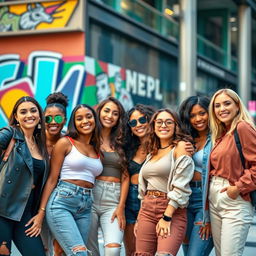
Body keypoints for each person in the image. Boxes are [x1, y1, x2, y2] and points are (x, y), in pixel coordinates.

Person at [32, 104, 103, 256]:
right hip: (62, 201)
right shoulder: (65, 143)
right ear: (73, 123)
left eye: (89, 116)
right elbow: (52, 179)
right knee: (79, 253)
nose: (85, 121)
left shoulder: (96, 149)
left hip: (86, 205)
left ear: (95, 120)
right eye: (79, 118)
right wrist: (41, 211)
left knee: (65, 252)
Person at [135, 108, 194, 255]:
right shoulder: (152, 150)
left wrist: (167, 217)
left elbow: (181, 187)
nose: (163, 126)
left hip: (171, 209)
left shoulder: (181, 147)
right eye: (159, 122)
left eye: (169, 122)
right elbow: (145, 188)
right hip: (147, 210)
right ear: (153, 126)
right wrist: (139, 217)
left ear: (175, 126)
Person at [208, 88, 256, 256]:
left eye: (227, 103)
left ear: (237, 106)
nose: (222, 109)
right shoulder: (220, 133)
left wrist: (238, 188)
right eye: (217, 105)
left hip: (235, 199)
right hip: (215, 198)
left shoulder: (242, 127)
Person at [0, 96, 49, 256]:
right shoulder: (10, 134)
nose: (29, 115)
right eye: (23, 112)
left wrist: (39, 214)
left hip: (26, 214)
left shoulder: (40, 143)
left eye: (33, 110)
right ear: (16, 117)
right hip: (3, 208)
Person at [87, 96, 129, 256]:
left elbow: (125, 176)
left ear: (119, 118)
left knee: (113, 249)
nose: (109, 116)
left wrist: (121, 207)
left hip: (114, 198)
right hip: (89, 196)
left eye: (115, 113)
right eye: (106, 111)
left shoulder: (122, 141)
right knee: (90, 250)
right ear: (99, 112)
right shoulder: (88, 137)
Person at [179, 96, 214, 256]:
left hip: (205, 199)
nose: (198, 119)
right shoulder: (186, 139)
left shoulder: (218, 138)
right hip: (185, 198)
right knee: (187, 251)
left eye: (202, 113)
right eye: (192, 115)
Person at [124, 104, 155, 256]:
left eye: (142, 119)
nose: (138, 125)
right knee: (131, 251)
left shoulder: (162, 144)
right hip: (129, 199)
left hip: (150, 200)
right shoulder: (129, 147)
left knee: (146, 252)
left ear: (150, 119)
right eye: (133, 123)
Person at [41, 92, 68, 256]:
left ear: (64, 119)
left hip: (62, 203)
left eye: (58, 118)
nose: (52, 122)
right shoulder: (35, 141)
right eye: (48, 118)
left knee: (60, 249)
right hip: (38, 201)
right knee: (43, 248)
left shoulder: (69, 142)